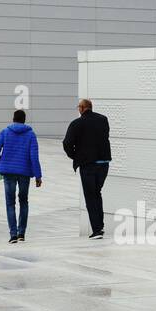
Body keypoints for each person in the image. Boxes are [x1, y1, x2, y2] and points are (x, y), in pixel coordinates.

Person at [63, 98, 112, 240]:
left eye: (79, 107)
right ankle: (100, 226)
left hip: (88, 164)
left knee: (90, 196)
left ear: (82, 108)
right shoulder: (103, 119)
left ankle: (97, 230)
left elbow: (67, 143)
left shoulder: (77, 123)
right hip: (103, 163)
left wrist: (75, 156)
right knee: (97, 193)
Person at [0, 109, 43, 243]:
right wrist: (38, 175)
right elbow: (34, 156)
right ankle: (21, 233)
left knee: (10, 203)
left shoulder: (5, 132)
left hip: (8, 172)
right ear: (24, 120)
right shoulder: (31, 134)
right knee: (24, 202)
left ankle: (13, 234)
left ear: (13, 119)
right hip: (24, 172)